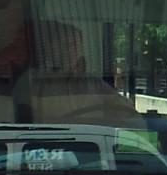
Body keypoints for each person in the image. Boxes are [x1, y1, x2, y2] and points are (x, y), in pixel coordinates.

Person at [12, 20, 144, 127]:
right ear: (51, 48)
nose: (71, 51)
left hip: (91, 149)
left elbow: (125, 111)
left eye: (76, 46)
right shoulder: (32, 80)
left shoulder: (93, 83)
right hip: (47, 150)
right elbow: (21, 122)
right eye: (66, 45)